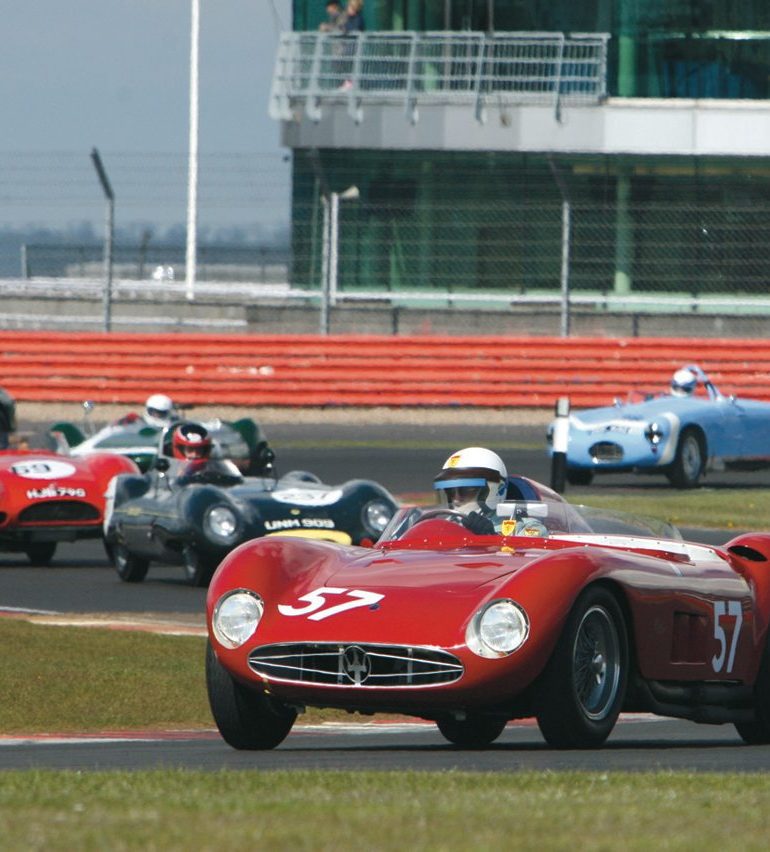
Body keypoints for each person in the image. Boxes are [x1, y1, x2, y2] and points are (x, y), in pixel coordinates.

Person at [433, 446, 508, 535]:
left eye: (466, 490)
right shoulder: (440, 526)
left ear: (498, 489)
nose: (456, 499)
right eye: (450, 491)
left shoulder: (517, 527)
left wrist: (491, 537)